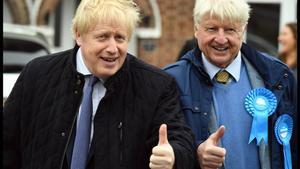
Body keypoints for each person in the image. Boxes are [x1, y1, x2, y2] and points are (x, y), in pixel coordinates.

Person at [3, 0, 196, 169]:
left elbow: (181, 141)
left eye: (120, 38)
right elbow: (8, 145)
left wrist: (173, 156)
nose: (112, 49)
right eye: (102, 37)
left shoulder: (157, 86)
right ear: (79, 35)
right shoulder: (37, 74)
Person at [164, 0, 297, 169]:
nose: (221, 39)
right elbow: (162, 150)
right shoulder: (171, 80)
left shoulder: (279, 76)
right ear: (196, 29)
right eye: (212, 29)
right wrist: (195, 154)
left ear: (243, 30)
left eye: (230, 29)